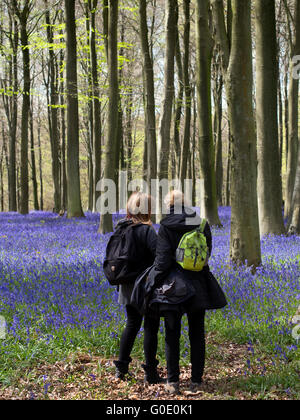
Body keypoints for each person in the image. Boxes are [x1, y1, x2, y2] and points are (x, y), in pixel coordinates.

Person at [150, 190, 227, 394]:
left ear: (169, 205)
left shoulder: (166, 226)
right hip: (199, 285)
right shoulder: (202, 224)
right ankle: (196, 381)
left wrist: (151, 282)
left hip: (173, 288)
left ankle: (173, 382)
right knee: (197, 334)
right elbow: (206, 254)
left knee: (171, 334)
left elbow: (163, 261)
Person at [112, 192, 162, 384]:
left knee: (132, 324)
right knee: (151, 326)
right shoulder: (147, 231)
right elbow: (160, 256)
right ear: (147, 210)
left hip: (126, 286)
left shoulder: (121, 229)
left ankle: (122, 369)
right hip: (146, 287)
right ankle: (150, 373)